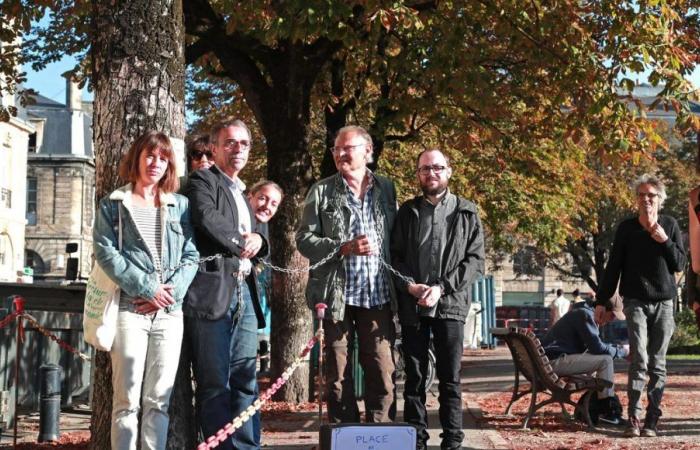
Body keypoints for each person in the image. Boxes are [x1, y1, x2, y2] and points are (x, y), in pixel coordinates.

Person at [93, 131, 199, 450]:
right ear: (137, 159)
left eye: (163, 158)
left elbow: (191, 254)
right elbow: (105, 251)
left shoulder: (179, 205)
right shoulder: (113, 204)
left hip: (169, 312)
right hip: (131, 307)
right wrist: (148, 287)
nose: (155, 163)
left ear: (169, 165)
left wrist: (170, 294)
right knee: (126, 398)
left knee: (159, 400)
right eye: (150, 156)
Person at [296, 125, 397, 424]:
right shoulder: (322, 190)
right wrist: (343, 247)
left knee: (381, 366)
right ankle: (345, 433)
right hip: (335, 294)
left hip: (376, 293)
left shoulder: (386, 188)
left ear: (368, 151)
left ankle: (381, 433)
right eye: (336, 149)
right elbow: (303, 239)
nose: (340, 153)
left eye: (347, 148)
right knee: (337, 371)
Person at [390, 149, 485, 450]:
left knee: (449, 379)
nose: (431, 173)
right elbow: (395, 256)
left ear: (449, 172)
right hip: (413, 305)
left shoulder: (467, 211)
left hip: (451, 305)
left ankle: (453, 441)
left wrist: (442, 288)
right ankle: (416, 440)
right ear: (417, 174)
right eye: (424, 169)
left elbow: (475, 262)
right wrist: (411, 287)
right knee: (415, 379)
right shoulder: (407, 212)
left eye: (437, 168)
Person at [183, 119, 268, 450]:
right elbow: (207, 218)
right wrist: (241, 242)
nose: (238, 149)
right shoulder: (202, 181)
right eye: (230, 143)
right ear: (215, 148)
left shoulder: (243, 192)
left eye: (244, 143)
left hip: (245, 295)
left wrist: (259, 239)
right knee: (215, 382)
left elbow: (258, 238)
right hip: (212, 297)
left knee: (246, 381)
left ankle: (247, 446)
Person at [596, 174, 685, 438]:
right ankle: (633, 417)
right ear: (636, 199)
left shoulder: (669, 224)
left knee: (657, 362)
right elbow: (613, 267)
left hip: (664, 304)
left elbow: (680, 264)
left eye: (651, 195)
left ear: (660, 199)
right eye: (642, 195)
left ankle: (652, 418)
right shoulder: (627, 229)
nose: (646, 199)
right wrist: (601, 301)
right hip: (635, 301)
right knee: (640, 359)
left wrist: (663, 239)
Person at [541, 295, 629, 425]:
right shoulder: (585, 315)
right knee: (605, 361)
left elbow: (595, 347)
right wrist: (623, 351)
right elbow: (597, 348)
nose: (612, 320)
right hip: (555, 362)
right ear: (602, 309)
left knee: (600, 365)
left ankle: (594, 408)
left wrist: (617, 349)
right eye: (612, 315)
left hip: (551, 361)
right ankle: (609, 411)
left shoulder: (583, 312)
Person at [246, 180, 283, 446]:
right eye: (262, 198)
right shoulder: (239, 219)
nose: (266, 206)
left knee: (247, 386)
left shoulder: (265, 231)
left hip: (256, 306)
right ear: (250, 196)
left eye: (273, 203)